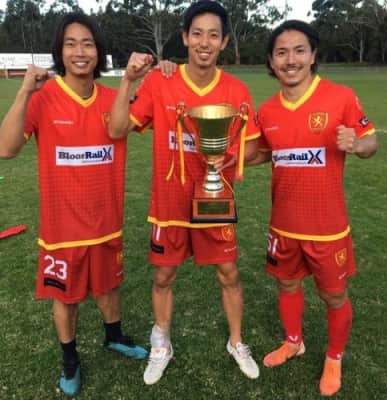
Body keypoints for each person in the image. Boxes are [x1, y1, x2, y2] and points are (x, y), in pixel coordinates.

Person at [109, 0, 260, 386]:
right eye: (197, 34)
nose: (204, 42)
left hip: (214, 199)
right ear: (185, 38)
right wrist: (129, 80)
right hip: (170, 201)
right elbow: (118, 129)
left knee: (229, 272)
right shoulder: (161, 81)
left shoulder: (237, 90)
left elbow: (255, 146)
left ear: (224, 41)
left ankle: (237, 342)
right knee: (164, 275)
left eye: (213, 35)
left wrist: (229, 158)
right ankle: (161, 344)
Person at [0, 13, 147, 397]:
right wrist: (24, 92)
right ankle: (70, 360)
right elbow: (6, 148)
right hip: (62, 228)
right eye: (71, 44)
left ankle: (114, 336)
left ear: (99, 52)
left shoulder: (115, 99)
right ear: (60, 51)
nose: (80, 51)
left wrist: (156, 70)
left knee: (109, 286)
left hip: (107, 222)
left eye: (88, 44)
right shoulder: (43, 97)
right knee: (66, 298)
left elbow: (152, 112)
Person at [250, 20, 378, 396]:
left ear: (312, 55)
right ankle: (294, 342)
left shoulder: (340, 97)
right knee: (287, 283)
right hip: (283, 224)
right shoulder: (267, 110)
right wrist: (226, 157)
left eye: (299, 50)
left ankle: (334, 357)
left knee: (333, 296)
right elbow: (266, 152)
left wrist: (357, 144)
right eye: (281, 52)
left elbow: (370, 143)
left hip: (327, 226)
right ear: (271, 61)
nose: (290, 60)